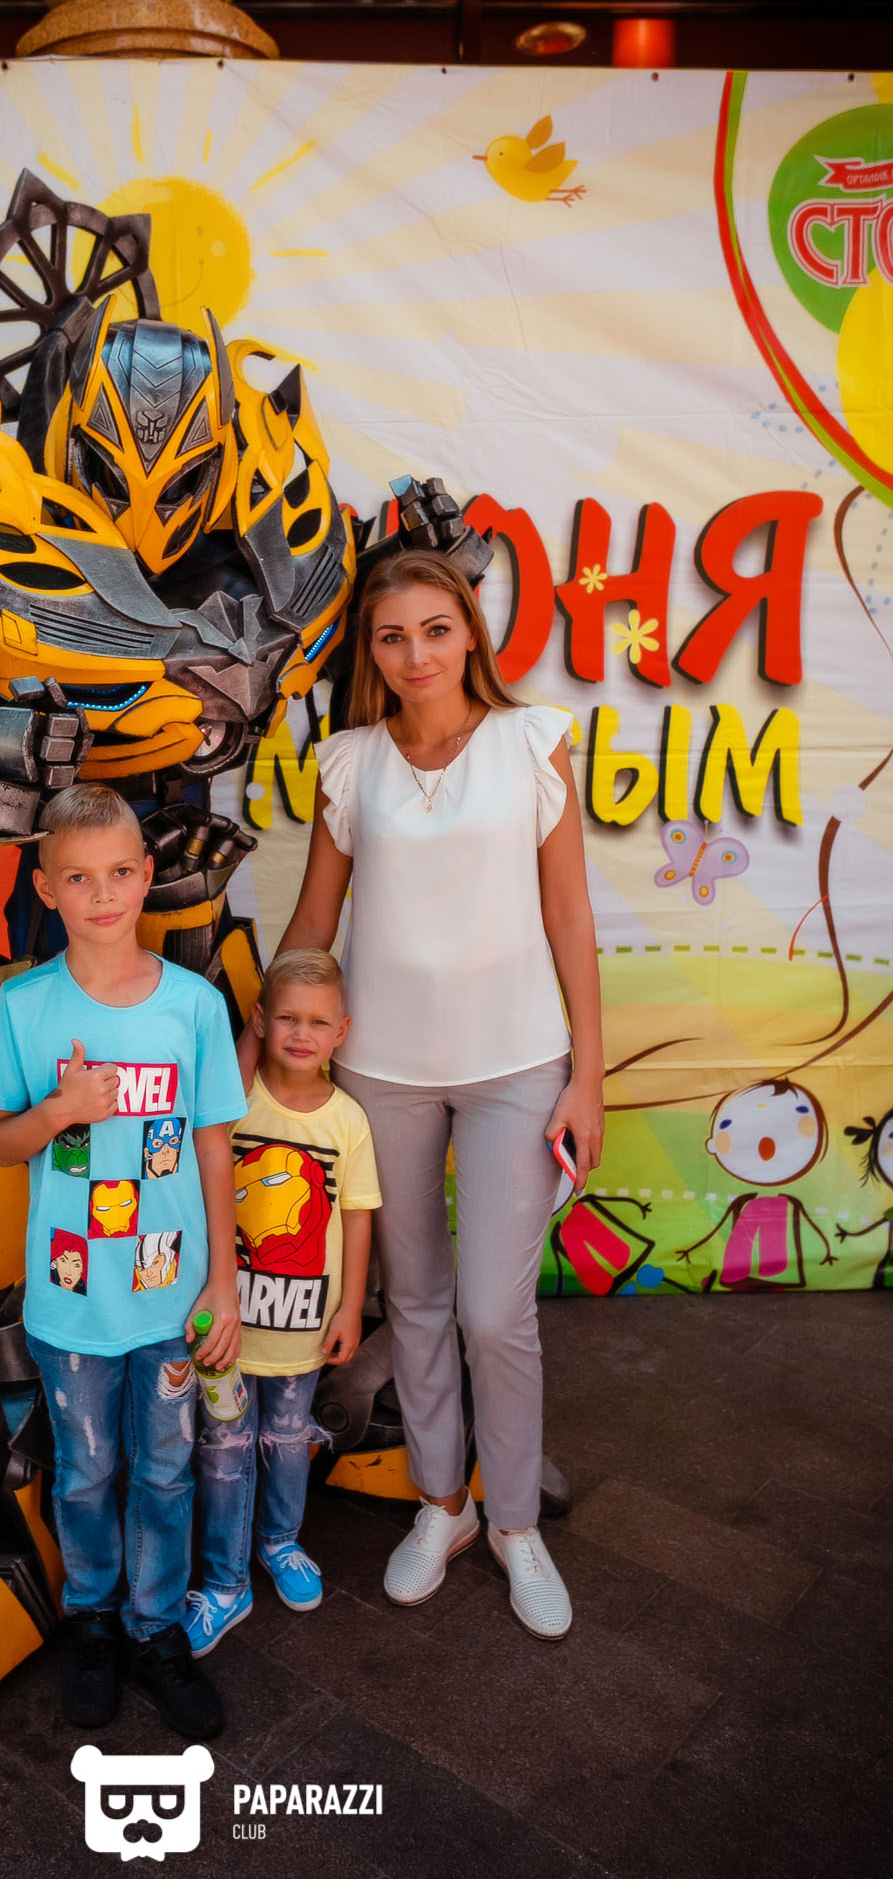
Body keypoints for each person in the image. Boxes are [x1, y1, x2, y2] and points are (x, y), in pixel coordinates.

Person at [254, 548, 604, 1640]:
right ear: (371, 651)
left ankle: (514, 1525)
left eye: (435, 629)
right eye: (392, 636)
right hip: (380, 1073)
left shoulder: (533, 741)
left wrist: (587, 1074)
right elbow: (315, 922)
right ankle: (442, 1504)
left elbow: (569, 916)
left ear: (469, 633)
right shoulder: (350, 761)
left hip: (517, 1066)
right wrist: (263, 1039)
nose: (416, 654)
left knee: (494, 1314)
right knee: (410, 1301)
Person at [0, 781, 246, 1739]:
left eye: (121, 873)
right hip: (71, 1305)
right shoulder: (24, 1005)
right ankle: (91, 1621)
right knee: (85, 1474)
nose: (103, 894)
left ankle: (154, 1628)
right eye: (80, 878)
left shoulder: (194, 1005)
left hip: (172, 1300)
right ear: (46, 888)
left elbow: (213, 1143)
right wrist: (60, 1111)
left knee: (166, 1471)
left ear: (145, 875)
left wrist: (224, 1280)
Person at [187, 949, 380, 1655]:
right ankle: (222, 1580)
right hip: (226, 1331)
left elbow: (357, 1215)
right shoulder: (233, 1102)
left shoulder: (348, 1121)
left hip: (303, 1329)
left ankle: (280, 1541)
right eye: (288, 1018)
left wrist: (350, 1308)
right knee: (223, 1447)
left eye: (319, 1022)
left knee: (287, 1439)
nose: (302, 1033)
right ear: (261, 1021)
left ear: (341, 1032)